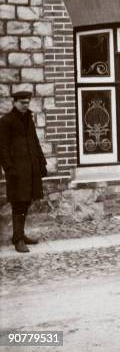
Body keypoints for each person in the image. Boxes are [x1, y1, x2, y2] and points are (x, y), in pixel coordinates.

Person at [0, 91, 47, 253]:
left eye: (27, 102)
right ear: (14, 103)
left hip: (31, 169)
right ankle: (18, 239)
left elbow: (35, 142)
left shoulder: (29, 120)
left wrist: (42, 163)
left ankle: (20, 235)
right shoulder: (6, 121)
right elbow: (2, 148)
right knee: (18, 203)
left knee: (26, 201)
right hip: (17, 171)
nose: (25, 106)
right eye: (22, 103)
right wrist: (9, 169)